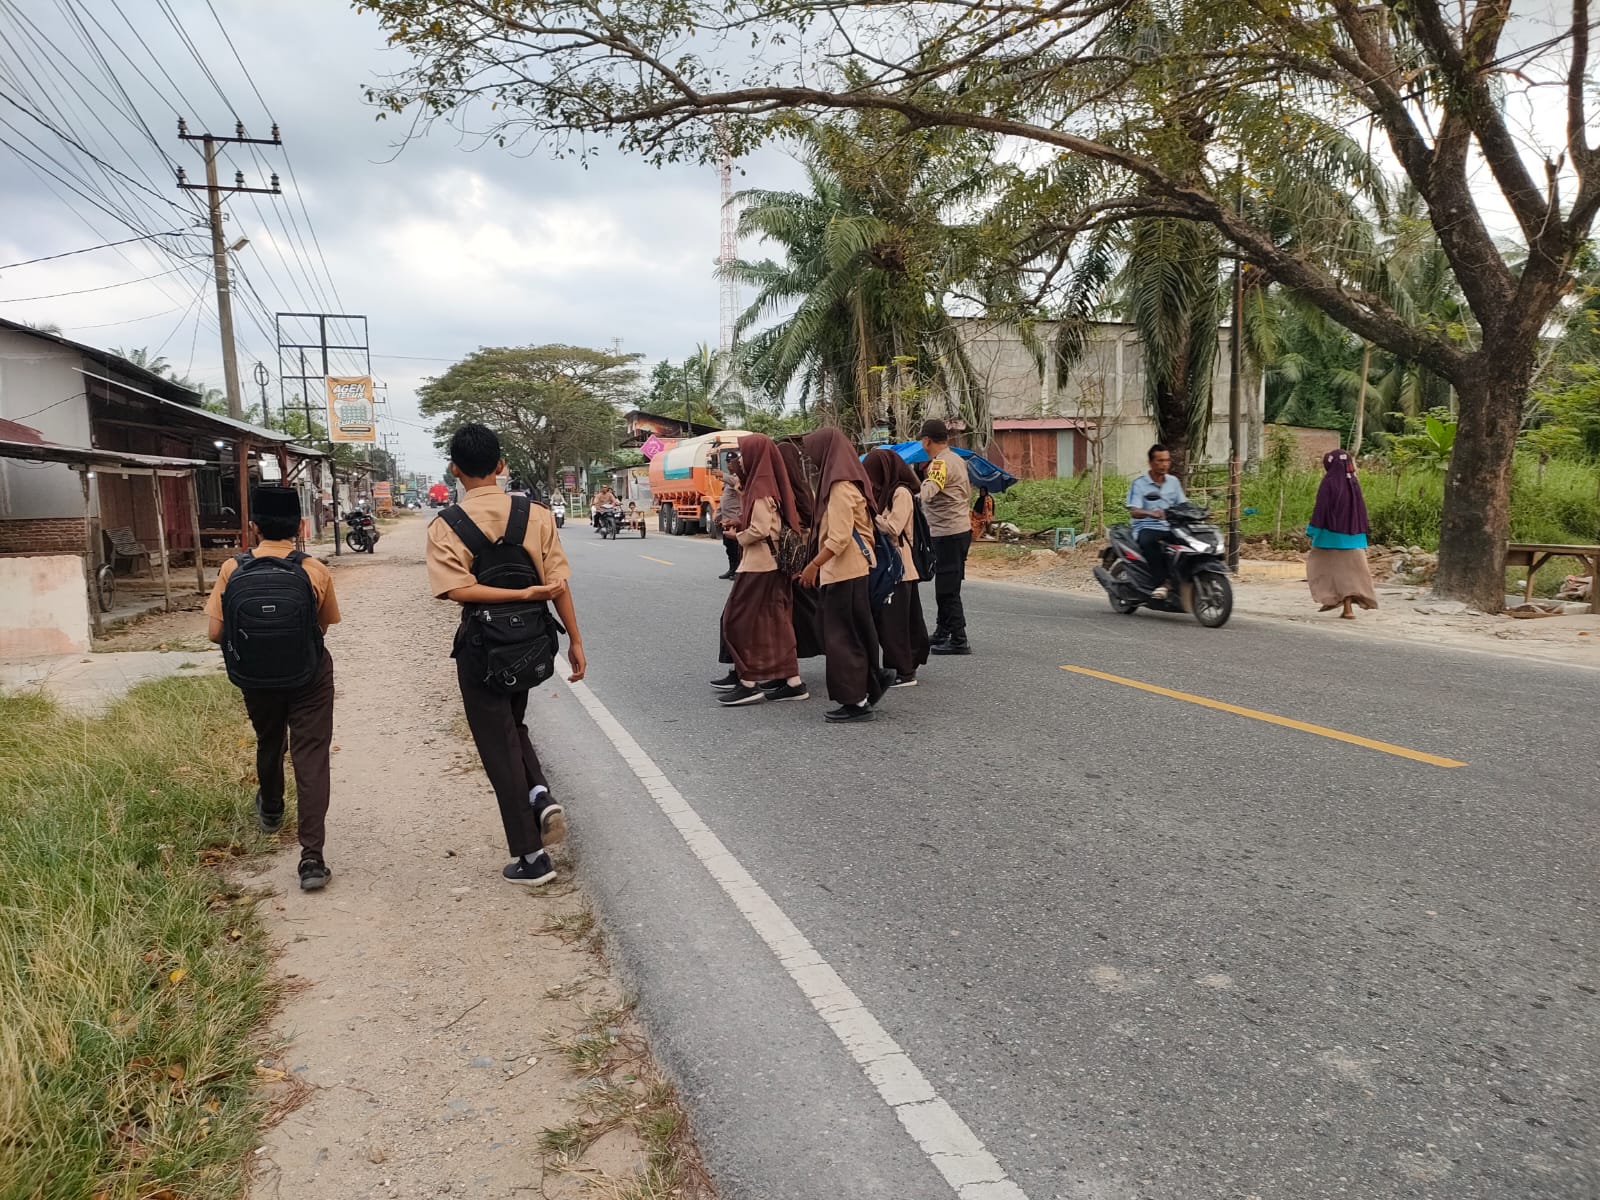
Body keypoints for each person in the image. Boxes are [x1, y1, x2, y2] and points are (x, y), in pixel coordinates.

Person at [427, 424, 587, 887]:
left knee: (496, 741)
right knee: (513, 723)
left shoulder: (446, 525)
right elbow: (558, 585)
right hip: (532, 643)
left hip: (483, 646)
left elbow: (456, 589)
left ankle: (532, 858)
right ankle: (537, 792)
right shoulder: (535, 515)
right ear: (500, 466)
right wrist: (575, 640)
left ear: (455, 469)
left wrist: (504, 595)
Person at [206, 485, 339, 892]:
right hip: (309, 675)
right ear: (300, 526)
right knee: (310, 755)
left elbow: (215, 633)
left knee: (269, 739)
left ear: (253, 526)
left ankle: (272, 808)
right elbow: (323, 625)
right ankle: (312, 858)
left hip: (256, 676)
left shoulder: (233, 569)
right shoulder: (314, 569)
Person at [711, 435, 808, 706]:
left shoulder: (761, 487)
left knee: (737, 621)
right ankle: (793, 682)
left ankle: (749, 682)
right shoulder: (762, 484)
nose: (739, 460)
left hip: (759, 565)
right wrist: (740, 522)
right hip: (770, 565)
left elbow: (763, 529)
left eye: (742, 454)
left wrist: (738, 536)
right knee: (776, 622)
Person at [799, 428, 885, 723]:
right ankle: (870, 683)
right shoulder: (851, 484)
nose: (810, 459)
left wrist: (813, 566)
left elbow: (837, 539)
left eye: (812, 452)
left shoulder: (838, 489)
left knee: (840, 638)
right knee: (855, 632)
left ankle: (856, 702)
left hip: (842, 573)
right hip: (853, 570)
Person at [864, 449, 930, 688]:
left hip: (900, 567)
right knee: (899, 621)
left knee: (895, 623)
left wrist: (873, 517)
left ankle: (904, 671)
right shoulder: (886, 493)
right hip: (895, 568)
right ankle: (901, 666)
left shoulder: (900, 493)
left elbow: (893, 527)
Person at [918, 419, 974, 655]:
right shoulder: (956, 459)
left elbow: (930, 490)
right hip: (960, 529)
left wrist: (915, 497)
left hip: (947, 533)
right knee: (948, 584)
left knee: (947, 589)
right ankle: (943, 631)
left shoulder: (939, 464)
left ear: (926, 440)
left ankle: (959, 639)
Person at [1306, 448, 1378, 619]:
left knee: (1320, 568)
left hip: (1329, 537)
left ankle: (1330, 598)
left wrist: (1312, 530)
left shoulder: (1328, 482)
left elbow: (1321, 509)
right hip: (1354, 538)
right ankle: (1347, 608)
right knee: (1351, 575)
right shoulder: (1353, 482)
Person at [778, 439, 824, 662]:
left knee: (806, 611)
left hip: (798, 560)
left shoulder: (789, 489)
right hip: (802, 557)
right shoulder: (801, 485)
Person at [1124, 444, 1188, 593]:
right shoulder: (1139, 484)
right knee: (1150, 542)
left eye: (1167, 460)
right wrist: (1151, 513)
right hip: (1146, 526)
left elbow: (1183, 504)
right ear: (1150, 462)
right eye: (1160, 460)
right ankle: (1161, 582)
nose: (1164, 464)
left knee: (1189, 544)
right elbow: (1134, 511)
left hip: (1170, 526)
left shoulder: (1173, 482)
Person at [717, 454, 743, 580]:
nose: (729, 464)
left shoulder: (738, 477)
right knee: (729, 547)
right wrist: (717, 515)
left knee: (736, 547)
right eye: (727, 461)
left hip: (735, 519)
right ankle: (732, 569)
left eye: (731, 462)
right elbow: (724, 499)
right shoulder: (727, 480)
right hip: (726, 519)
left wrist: (723, 475)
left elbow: (736, 484)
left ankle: (738, 570)